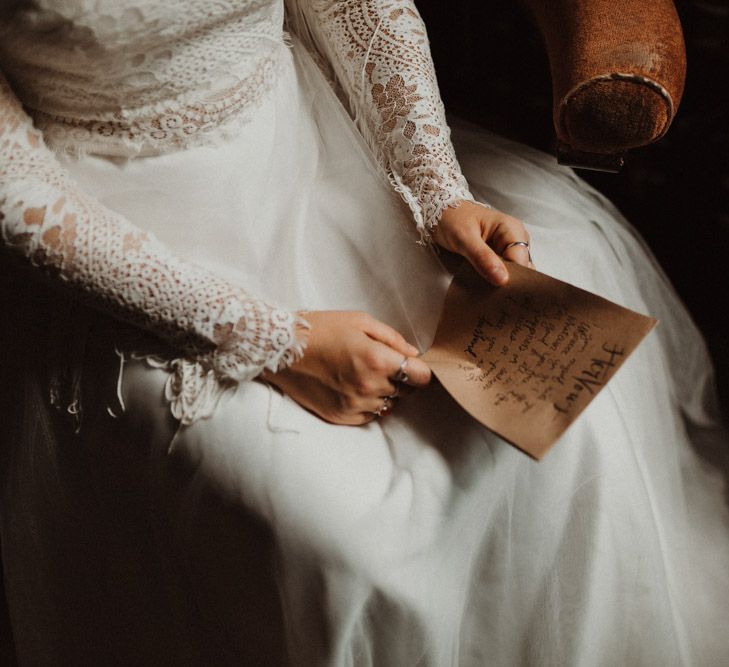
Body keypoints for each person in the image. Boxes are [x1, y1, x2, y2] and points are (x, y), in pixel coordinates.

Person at [0, 0, 727, 664]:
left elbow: (351, 5)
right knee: (346, 541)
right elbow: (17, 186)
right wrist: (274, 340)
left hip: (313, 152)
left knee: (570, 424)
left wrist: (437, 189)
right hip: (117, 233)